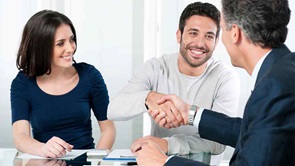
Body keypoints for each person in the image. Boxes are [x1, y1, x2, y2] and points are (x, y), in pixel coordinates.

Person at [133, 0, 295, 165]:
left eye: (222, 28)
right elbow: (255, 133)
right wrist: (190, 113)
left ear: (234, 33)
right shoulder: (283, 71)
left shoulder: (275, 86)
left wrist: (164, 162)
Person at [108, 1, 240, 162]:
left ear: (216, 41)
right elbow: (113, 110)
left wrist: (168, 144)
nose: (199, 43)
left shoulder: (225, 77)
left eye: (209, 36)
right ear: (179, 35)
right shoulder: (156, 68)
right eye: (193, 33)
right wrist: (149, 98)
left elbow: (219, 142)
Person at [10, 10, 116, 158]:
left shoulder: (90, 76)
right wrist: (43, 149)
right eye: (60, 43)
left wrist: (95, 159)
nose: (71, 48)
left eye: (71, 40)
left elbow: (108, 130)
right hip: (45, 160)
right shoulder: (22, 83)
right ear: (41, 48)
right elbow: (20, 137)